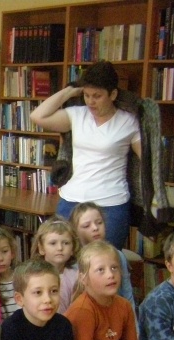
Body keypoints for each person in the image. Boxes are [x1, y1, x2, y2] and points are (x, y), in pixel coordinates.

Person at [30, 61, 141, 249]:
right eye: (87, 95)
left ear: (113, 94)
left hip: (110, 204)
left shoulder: (128, 121)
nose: (91, 101)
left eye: (97, 96)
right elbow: (38, 116)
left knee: (104, 263)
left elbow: (147, 161)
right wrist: (70, 91)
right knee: (63, 259)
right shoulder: (77, 115)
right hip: (72, 200)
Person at [69, 201, 137, 315]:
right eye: (87, 226)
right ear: (75, 231)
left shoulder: (117, 255)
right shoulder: (73, 261)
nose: (95, 228)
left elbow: (127, 295)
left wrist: (135, 329)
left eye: (99, 222)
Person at [31, 217, 80, 313]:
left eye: (66, 243)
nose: (60, 248)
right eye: (53, 243)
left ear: (72, 248)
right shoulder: (33, 276)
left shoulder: (75, 277)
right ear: (41, 248)